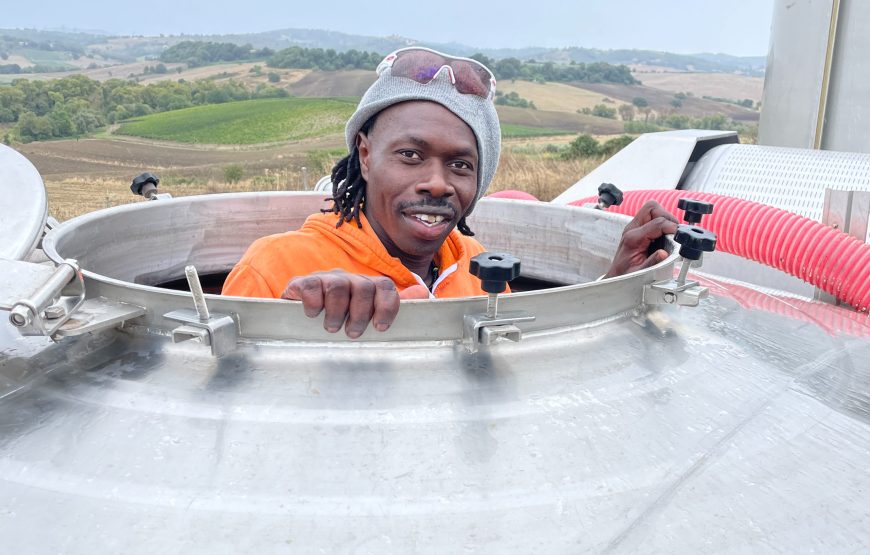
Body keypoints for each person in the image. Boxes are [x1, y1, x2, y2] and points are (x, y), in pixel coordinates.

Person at [222, 47, 677, 337]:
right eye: (410, 156)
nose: (438, 183)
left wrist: (613, 283)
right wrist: (307, 326)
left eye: (461, 165)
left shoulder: (474, 263)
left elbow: (529, 360)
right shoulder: (273, 268)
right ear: (364, 155)